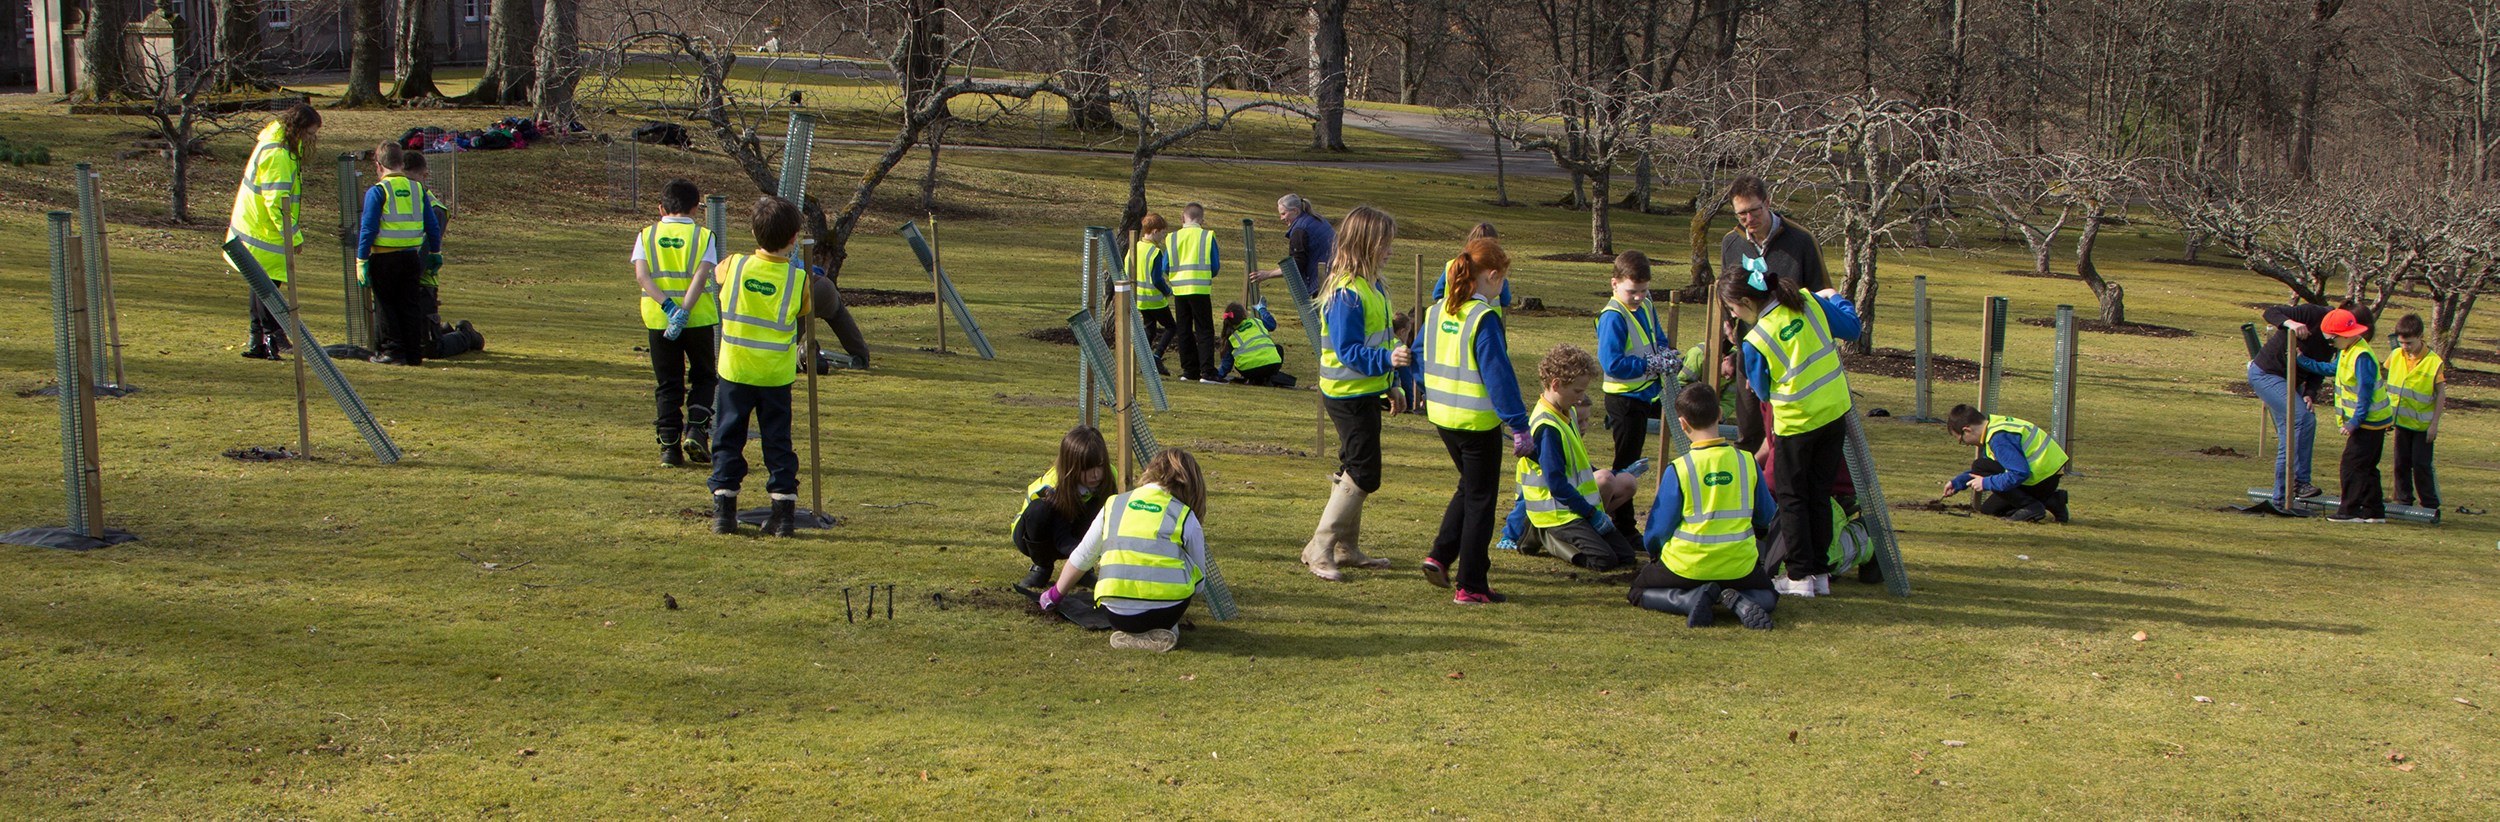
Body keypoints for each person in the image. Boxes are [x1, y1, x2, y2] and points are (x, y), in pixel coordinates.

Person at [1724, 259, 1860, 598]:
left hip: (1797, 424)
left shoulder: (1756, 339)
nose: (1735, 317)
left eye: (1733, 309)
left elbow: (1762, 389)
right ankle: (1819, 572)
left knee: (1792, 499)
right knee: (1819, 494)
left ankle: (1799, 576)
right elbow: (1852, 328)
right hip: (1834, 412)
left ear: (1745, 303)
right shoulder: (1810, 302)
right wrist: (1834, 296)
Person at [1419, 238, 1536, 602]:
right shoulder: (1484, 318)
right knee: (1481, 501)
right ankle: (1471, 585)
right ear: (1494, 276)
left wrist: (1426, 389)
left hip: (1443, 417)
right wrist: (1519, 424)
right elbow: (1498, 377)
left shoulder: (1437, 311)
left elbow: (1421, 353)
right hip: (1477, 423)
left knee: (1469, 488)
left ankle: (1440, 555)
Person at [1300, 206, 1409, 582]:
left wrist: (1391, 383)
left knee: (1352, 466)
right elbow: (1350, 351)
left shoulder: (1374, 286)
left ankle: (1345, 548)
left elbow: (1377, 339)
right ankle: (1321, 547)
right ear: (1366, 244)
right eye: (1385, 244)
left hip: (1363, 391)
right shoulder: (1347, 292)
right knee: (1365, 472)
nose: (1390, 251)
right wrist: (1388, 360)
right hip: (1346, 394)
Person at [1629, 383, 1778, 629]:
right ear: (1720, 414)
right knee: (1770, 595)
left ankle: (1688, 599)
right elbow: (1767, 516)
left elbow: (1658, 530)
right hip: (1738, 566)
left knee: (1637, 591)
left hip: (1687, 566)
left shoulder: (1680, 468)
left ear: (1682, 423)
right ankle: (1740, 600)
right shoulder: (1747, 462)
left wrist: (1655, 553)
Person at [1036, 448, 1214, 653]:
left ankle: (1128, 633)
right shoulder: (1184, 516)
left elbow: (1083, 556)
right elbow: (1199, 583)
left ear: (1150, 470)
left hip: (1116, 615)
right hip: (1163, 614)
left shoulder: (1114, 505)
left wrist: (1055, 595)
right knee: (1189, 569)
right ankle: (1167, 630)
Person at [708, 197, 812, 537]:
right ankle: (783, 515)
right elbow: (804, 310)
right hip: (775, 376)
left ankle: (724, 512)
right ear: (795, 237)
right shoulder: (798, 281)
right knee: (778, 442)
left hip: (735, 371)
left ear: (753, 232)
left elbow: (718, 273)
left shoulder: (733, 266)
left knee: (727, 437)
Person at [1513, 344, 1643, 574]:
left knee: (1626, 556)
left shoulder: (1566, 412)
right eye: (1577, 391)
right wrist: (1593, 515)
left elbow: (1576, 464)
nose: (1581, 397)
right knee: (1604, 561)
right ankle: (1543, 535)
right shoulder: (1547, 428)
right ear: (1556, 385)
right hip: (1557, 514)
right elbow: (1557, 485)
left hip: (1575, 509)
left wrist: (1613, 475)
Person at [633, 179, 723, 467]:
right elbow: (702, 276)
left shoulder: (646, 235)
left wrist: (668, 307)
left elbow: (642, 277)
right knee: (704, 376)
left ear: (661, 207)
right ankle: (697, 429)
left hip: (659, 319)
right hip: (696, 318)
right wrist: (684, 309)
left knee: (668, 382)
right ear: (696, 207)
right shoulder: (704, 236)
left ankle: (669, 446)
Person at [228, 103, 320, 360]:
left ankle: (259, 341)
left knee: (261, 284)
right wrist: (294, 236)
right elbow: (278, 202)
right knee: (267, 286)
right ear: (298, 129)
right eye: (310, 133)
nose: (312, 138)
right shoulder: (279, 155)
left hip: (256, 227)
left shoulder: (276, 142)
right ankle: (272, 339)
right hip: (263, 231)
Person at [354, 143, 446, 367]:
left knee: (386, 305)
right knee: (409, 305)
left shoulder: (378, 191)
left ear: (378, 165)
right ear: (402, 164)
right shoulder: (417, 190)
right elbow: (432, 226)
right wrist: (435, 252)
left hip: (383, 257)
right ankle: (413, 353)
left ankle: (392, 352)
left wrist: (361, 259)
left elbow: (368, 228)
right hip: (411, 257)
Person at [1596, 251, 1680, 474]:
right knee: (1625, 466)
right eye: (1632, 291)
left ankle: (1621, 505)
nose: (1638, 296)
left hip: (1643, 394)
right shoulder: (1613, 316)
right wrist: (1650, 365)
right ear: (1614, 283)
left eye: (1644, 290)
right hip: (1624, 400)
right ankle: (1618, 508)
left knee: (1632, 463)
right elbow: (1611, 363)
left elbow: (1657, 338)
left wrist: (1665, 354)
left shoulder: (1646, 306)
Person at [397, 152, 485, 360]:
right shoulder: (392, 200)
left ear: (424, 176)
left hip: (420, 284)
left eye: (411, 180)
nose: (407, 186)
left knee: (429, 350)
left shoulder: (435, 208)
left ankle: (465, 335)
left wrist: (406, 278)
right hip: (397, 280)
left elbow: (424, 252)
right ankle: (441, 330)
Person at [1012, 426, 1119, 589]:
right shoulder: (1053, 486)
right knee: (1039, 510)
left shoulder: (1110, 476)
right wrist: (1096, 554)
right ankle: (1042, 566)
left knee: (1105, 506)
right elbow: (1061, 539)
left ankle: (1083, 571)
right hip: (1035, 535)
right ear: (1071, 466)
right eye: (1086, 468)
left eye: (1100, 466)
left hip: (1075, 531)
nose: (1095, 474)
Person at [2252, 301, 2336, 500]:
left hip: (2292, 381)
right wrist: (2290, 323)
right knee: (2303, 420)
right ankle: (2299, 483)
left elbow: (2319, 368)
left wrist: (2310, 393)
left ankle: (2281, 498)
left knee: (2291, 434)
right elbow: (2271, 311)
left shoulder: (2336, 341)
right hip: (2268, 373)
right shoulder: (2311, 312)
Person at [1940, 404, 2070, 523]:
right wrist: (1958, 483)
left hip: (2040, 479)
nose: (1966, 444)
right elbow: (1995, 467)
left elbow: (2019, 473)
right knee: (1990, 509)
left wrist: (1985, 483)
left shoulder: (1999, 440)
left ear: (1967, 430)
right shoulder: (1994, 427)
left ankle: (2031, 507)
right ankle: (2052, 500)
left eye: (1962, 440)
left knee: (1979, 465)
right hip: (2045, 477)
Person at [2324, 307, 2392, 523]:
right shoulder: (2348, 350)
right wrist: (2300, 361)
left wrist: (2355, 422)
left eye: (2331, 341)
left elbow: (2365, 394)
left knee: (2351, 466)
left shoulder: (2362, 356)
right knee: (2368, 467)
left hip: (2368, 423)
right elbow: (2331, 369)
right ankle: (2374, 512)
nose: (2331, 345)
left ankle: (2350, 511)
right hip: (2370, 421)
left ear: (2343, 336)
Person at [1720, 175, 1830, 293]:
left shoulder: (1802, 240)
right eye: (1742, 213)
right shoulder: (1730, 243)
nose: (1750, 219)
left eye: (1754, 210)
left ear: (1767, 203)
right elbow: (1727, 296)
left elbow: (1822, 294)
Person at [2385, 314, 2445, 511]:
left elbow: (2440, 395)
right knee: (2400, 463)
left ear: (2420, 337)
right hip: (2400, 422)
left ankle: (2429, 504)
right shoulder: (2395, 355)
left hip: (2422, 426)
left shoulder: (2434, 362)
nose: (2405, 347)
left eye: (2409, 343)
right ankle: (2403, 500)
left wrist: (2434, 425)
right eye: (2401, 342)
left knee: (2421, 465)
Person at [1165, 203, 1223, 383]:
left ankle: (1189, 370)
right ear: (1202, 220)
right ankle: (1207, 371)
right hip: (1200, 288)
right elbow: (1214, 266)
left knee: (1184, 329)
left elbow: (1165, 265)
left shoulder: (1172, 238)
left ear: (1183, 219)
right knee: (1204, 329)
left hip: (1179, 289)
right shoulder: (1207, 236)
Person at [1249, 194, 1333, 297]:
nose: (1281, 218)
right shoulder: (1316, 218)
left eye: (1284, 214)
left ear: (1295, 211)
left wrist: (1267, 274)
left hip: (1324, 283)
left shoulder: (1300, 231)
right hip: (1336, 275)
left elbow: (1295, 267)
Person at [1128, 214, 1177, 376]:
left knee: (1150, 329)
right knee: (1171, 326)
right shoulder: (1155, 252)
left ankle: (1145, 362)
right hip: (1155, 299)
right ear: (1155, 231)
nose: (1163, 237)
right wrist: (1168, 291)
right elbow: (1157, 279)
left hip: (1139, 299)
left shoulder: (1133, 248)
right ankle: (1156, 357)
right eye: (1163, 233)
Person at [1430, 223, 1514, 313]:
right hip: (1485, 320)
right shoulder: (1496, 270)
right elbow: (1505, 300)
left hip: (1452, 318)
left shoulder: (1453, 265)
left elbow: (1437, 294)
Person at [1218, 301, 1289, 386]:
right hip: (1272, 366)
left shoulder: (1231, 336)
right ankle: (1268, 379)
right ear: (1244, 314)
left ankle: (1252, 379)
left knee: (1236, 357)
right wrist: (1262, 309)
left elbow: (1227, 363)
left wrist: (1217, 376)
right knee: (1278, 348)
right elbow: (1272, 323)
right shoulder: (1256, 322)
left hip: (1249, 371)